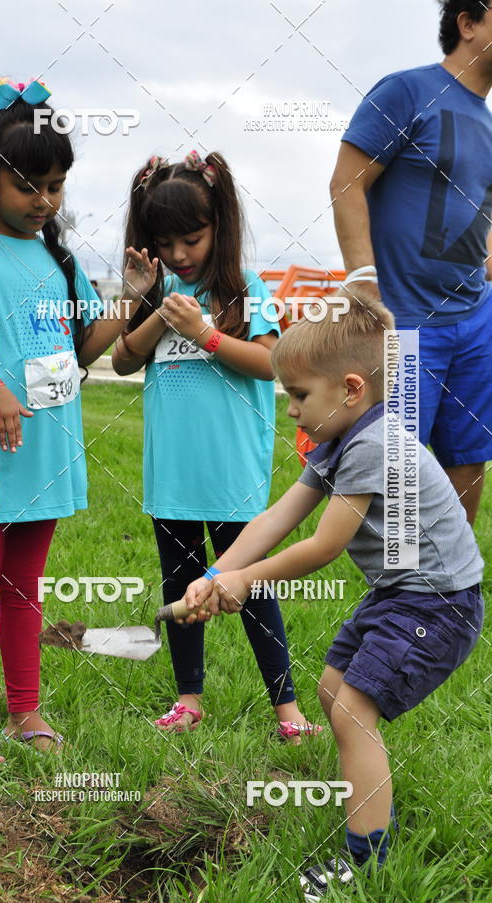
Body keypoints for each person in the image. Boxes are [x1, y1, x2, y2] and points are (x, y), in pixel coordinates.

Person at [181, 295, 484, 888]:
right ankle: (370, 801)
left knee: (350, 711)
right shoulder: (339, 439)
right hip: (401, 594)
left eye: (298, 395)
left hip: (438, 603)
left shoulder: (375, 445)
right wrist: (219, 574)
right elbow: (277, 517)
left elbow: (324, 545)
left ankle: (366, 863)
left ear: (349, 389)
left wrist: (248, 579)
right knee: (332, 691)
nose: (290, 409)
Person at [0, 78, 143, 759]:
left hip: (45, 451)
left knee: (25, 587)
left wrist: (128, 300)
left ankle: (25, 712)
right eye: (30, 186)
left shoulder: (59, 259)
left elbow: (81, 350)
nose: (44, 201)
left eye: (56, 186)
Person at [112, 150, 319, 741]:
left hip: (230, 475)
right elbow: (123, 360)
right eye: (167, 242)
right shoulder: (158, 290)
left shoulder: (244, 288)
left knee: (247, 586)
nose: (179, 254)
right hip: (172, 476)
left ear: (219, 228)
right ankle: (189, 699)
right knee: (179, 584)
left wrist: (204, 333)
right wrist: (157, 313)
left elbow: (270, 362)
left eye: (193, 240)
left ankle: (288, 710)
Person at [329, 0, 492, 525]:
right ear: (468, 23)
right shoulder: (406, 90)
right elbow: (346, 183)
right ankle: (400, 595)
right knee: (398, 473)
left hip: (475, 321)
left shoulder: (488, 125)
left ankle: (453, 589)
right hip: (406, 323)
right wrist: (363, 282)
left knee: (469, 458)